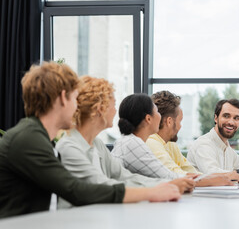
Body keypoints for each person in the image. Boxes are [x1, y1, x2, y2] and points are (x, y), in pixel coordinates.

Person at [0, 62, 180, 218]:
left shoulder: (35, 135)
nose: (77, 106)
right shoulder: (29, 139)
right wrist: (151, 192)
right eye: (74, 98)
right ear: (64, 98)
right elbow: (75, 189)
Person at [56, 76, 187, 207]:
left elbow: (123, 176)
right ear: (100, 109)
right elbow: (101, 185)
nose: (115, 111)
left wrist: (166, 185)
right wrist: (154, 191)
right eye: (113, 104)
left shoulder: (97, 144)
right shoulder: (69, 147)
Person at [147, 90, 239, 184]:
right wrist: (226, 177)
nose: (180, 126)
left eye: (236, 118)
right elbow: (178, 175)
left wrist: (222, 178)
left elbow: (190, 171)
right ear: (169, 122)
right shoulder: (151, 143)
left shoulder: (170, 144)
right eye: (180, 121)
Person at [111, 94, 197, 192]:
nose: (160, 116)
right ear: (148, 119)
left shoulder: (129, 141)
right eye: (156, 111)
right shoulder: (133, 143)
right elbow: (168, 176)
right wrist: (189, 180)